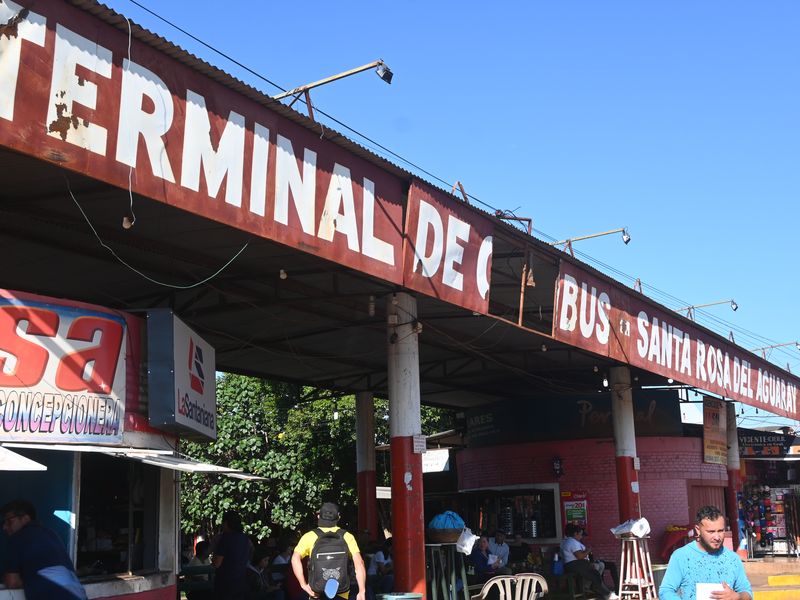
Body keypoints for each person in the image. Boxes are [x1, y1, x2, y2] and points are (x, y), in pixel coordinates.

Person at [659, 505, 752, 600]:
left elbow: (748, 593)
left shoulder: (733, 559)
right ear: (698, 530)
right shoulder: (681, 556)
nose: (717, 537)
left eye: (720, 531)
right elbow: (666, 591)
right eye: (711, 532)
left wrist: (737, 596)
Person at [1, 499, 87, 600]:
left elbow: (12, 583)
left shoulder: (18, 537)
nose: (4, 527)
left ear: (25, 518)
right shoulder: (51, 534)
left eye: (9, 521)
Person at [291, 502, 366, 600]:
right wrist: (362, 591)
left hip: (316, 592)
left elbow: (295, 559)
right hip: (341, 592)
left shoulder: (309, 536)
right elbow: (359, 563)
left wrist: (303, 584)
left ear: (318, 516)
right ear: (338, 517)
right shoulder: (347, 536)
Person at [561, 524, 618, 600]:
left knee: (595, 573)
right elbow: (580, 556)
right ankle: (606, 594)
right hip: (575, 565)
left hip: (575, 564)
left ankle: (600, 590)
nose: (581, 537)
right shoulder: (572, 542)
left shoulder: (568, 541)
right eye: (580, 535)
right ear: (575, 534)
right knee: (594, 574)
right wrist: (588, 551)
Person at [213, 510, 254, 600]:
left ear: (226, 523)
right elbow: (251, 551)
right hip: (241, 580)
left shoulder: (225, 538)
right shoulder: (245, 538)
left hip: (225, 582)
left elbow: (217, 563)